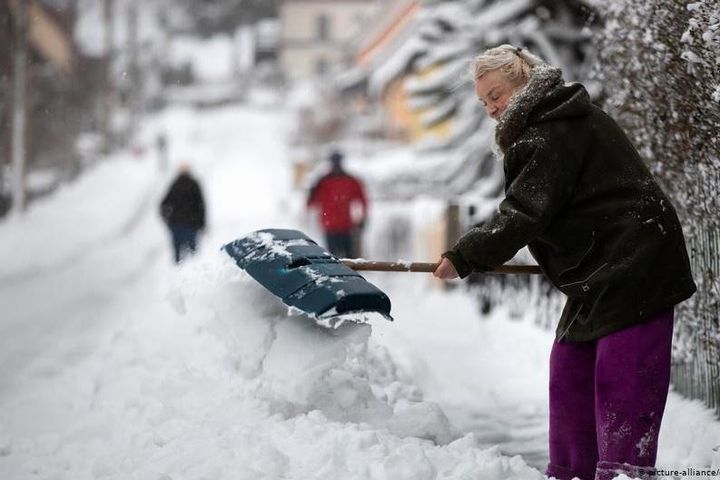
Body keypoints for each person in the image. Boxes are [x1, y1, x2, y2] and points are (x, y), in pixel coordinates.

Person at [433, 45, 696, 480]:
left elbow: (524, 211)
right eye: (483, 102)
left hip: (636, 264)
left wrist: (464, 256)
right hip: (596, 273)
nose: (491, 108)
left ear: (524, 83)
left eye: (496, 94)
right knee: (569, 374)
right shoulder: (545, 125)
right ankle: (573, 473)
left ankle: (623, 473)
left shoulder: (552, 129)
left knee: (621, 387)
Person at [307, 150, 368, 258]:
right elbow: (310, 203)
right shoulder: (324, 181)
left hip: (344, 226)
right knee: (340, 260)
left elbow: (363, 200)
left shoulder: (348, 180)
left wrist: (362, 219)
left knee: (345, 260)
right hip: (333, 227)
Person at [160, 164, 206, 263]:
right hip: (191, 224)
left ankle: (178, 274)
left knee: (178, 256)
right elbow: (201, 205)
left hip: (176, 225)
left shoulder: (175, 185)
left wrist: (167, 220)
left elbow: (163, 204)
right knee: (193, 255)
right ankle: (194, 274)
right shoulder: (194, 184)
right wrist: (202, 223)